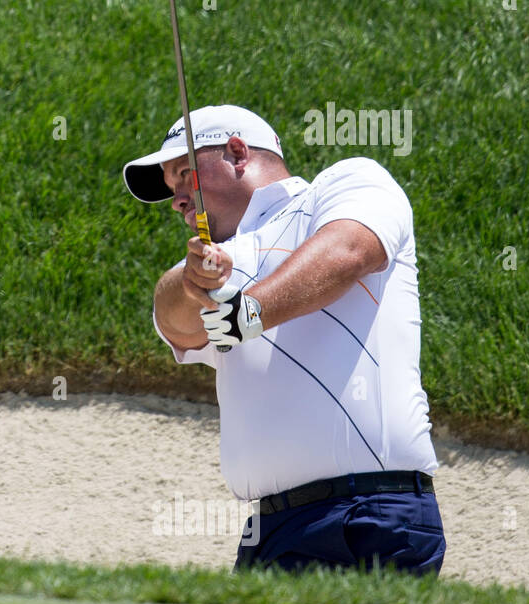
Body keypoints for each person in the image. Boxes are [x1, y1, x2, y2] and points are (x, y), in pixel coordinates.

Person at [122, 103, 445, 575]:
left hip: (374, 512)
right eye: (171, 190)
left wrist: (246, 313)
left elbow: (350, 251)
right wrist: (194, 282)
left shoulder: (347, 184)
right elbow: (172, 319)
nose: (176, 199)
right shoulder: (218, 259)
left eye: (183, 175)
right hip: (271, 530)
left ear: (236, 152)